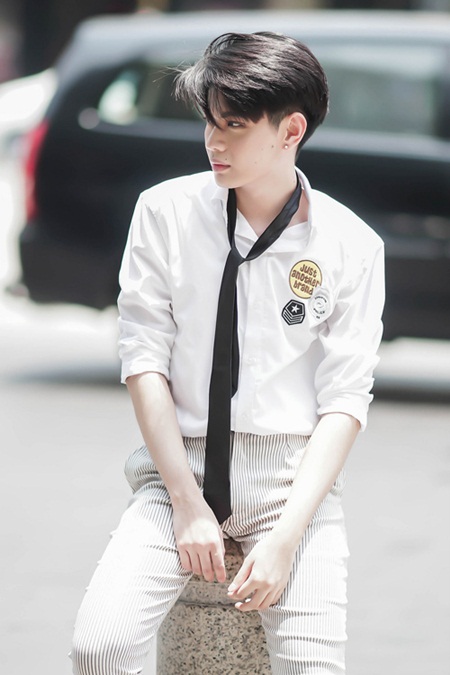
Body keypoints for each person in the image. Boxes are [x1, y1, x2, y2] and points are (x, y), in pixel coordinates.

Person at [70, 31, 384, 675]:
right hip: (177, 470)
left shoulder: (351, 243)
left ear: (290, 130)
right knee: (100, 646)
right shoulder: (165, 212)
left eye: (235, 125)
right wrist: (187, 503)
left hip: (290, 480)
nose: (214, 142)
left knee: (313, 667)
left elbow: (346, 399)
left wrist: (287, 538)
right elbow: (143, 358)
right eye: (210, 122)